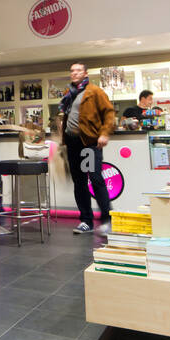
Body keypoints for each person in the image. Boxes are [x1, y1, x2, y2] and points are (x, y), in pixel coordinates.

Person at [59, 62, 115, 237]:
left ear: (85, 73)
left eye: (78, 71)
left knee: (96, 179)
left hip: (88, 143)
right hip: (73, 143)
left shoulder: (94, 91)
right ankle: (86, 221)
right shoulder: (69, 93)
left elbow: (109, 113)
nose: (74, 73)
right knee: (80, 182)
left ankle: (107, 221)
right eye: (72, 71)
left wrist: (104, 133)